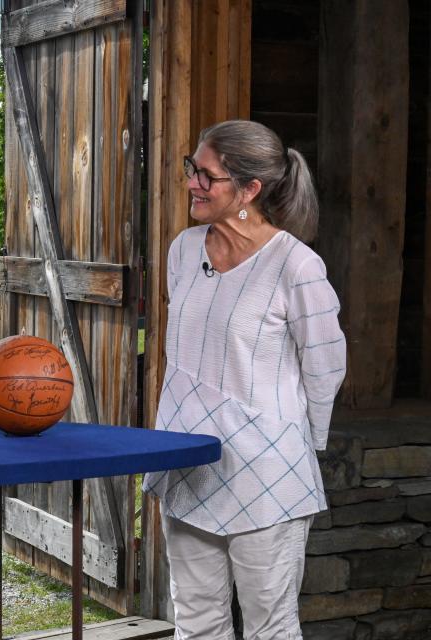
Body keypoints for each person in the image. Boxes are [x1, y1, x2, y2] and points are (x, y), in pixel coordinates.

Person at [142, 120, 346, 639]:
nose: (192, 183)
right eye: (192, 169)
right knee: (196, 619)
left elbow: (325, 365)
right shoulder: (183, 250)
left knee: (269, 628)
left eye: (207, 176)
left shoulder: (297, 266)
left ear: (250, 190)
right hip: (188, 461)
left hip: (266, 471)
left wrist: (300, 444)